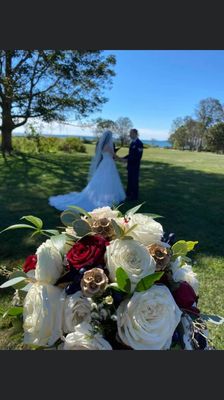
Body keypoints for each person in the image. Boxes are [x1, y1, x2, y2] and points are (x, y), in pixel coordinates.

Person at [49, 131, 126, 212]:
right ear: (109, 138)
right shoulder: (108, 146)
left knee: (103, 180)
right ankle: (107, 197)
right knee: (108, 180)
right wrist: (123, 160)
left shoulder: (102, 145)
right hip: (108, 163)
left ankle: (103, 195)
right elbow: (114, 156)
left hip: (104, 163)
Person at [122, 128, 143, 201]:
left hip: (135, 166)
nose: (129, 135)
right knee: (130, 180)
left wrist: (127, 159)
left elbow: (138, 157)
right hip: (130, 165)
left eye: (131, 133)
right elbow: (130, 154)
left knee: (134, 181)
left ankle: (134, 197)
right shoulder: (132, 143)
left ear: (135, 134)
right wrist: (124, 158)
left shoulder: (139, 143)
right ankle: (128, 194)